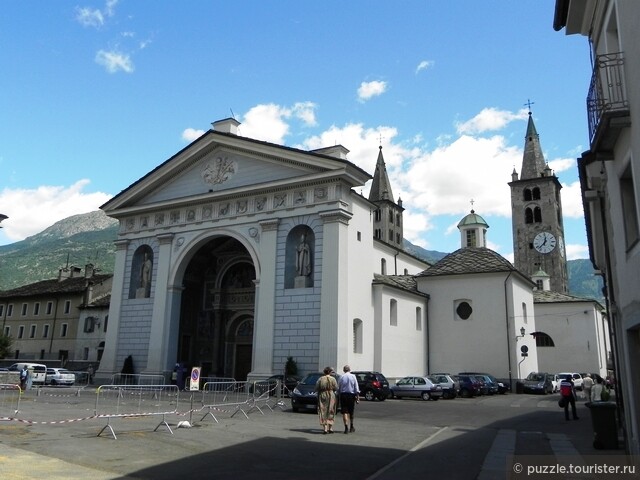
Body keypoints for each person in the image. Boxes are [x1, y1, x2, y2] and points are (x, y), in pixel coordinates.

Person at [314, 366, 338, 434]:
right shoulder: (333, 379)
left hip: (322, 395)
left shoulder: (320, 379)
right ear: (330, 372)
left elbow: (316, 388)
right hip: (331, 394)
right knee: (331, 410)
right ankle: (330, 428)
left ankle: (325, 428)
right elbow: (336, 387)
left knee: (323, 410)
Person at [338, 365, 360, 434]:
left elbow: (338, 387)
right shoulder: (353, 376)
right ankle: (352, 426)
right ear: (349, 370)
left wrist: (339, 395)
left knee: (345, 412)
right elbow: (356, 387)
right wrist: (357, 396)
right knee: (351, 411)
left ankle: (346, 427)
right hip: (351, 395)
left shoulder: (341, 377)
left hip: (343, 395)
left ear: (344, 370)